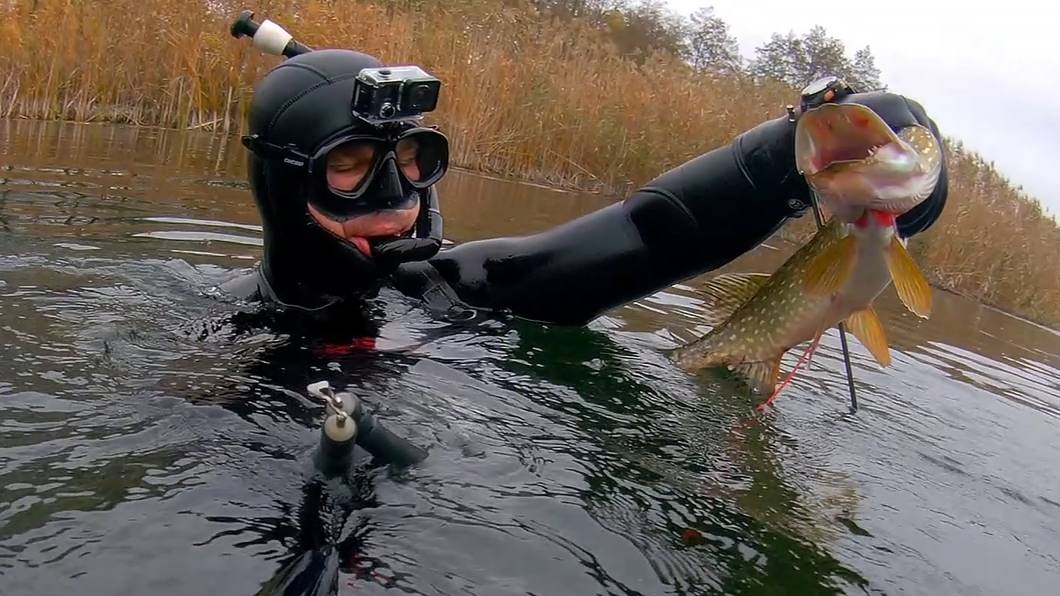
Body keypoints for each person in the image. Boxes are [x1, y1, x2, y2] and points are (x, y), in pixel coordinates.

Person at [220, 48, 947, 326]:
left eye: (413, 158)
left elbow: (647, 232)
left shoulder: (454, 285)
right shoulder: (217, 336)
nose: (396, 196)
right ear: (283, 186)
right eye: (349, 167)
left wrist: (791, 158)